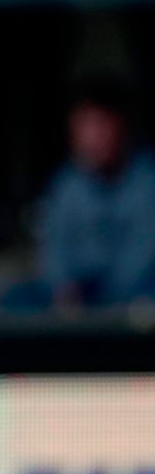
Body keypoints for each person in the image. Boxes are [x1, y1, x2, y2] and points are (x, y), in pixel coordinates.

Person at [30, 78, 155, 308]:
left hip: (128, 292)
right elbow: (54, 247)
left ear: (122, 126)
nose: (91, 138)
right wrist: (63, 286)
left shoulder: (147, 182)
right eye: (83, 127)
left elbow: (142, 256)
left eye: (100, 126)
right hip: (76, 290)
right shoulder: (67, 184)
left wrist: (106, 298)